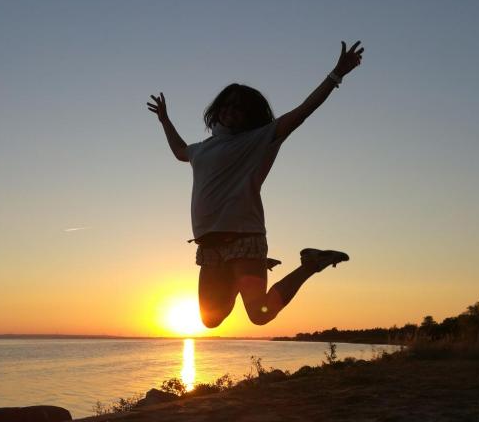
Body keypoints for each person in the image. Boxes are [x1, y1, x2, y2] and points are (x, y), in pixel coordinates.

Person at [147, 40, 364, 328]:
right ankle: (252, 270)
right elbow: (179, 151)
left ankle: (311, 264)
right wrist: (164, 120)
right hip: (209, 244)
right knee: (211, 319)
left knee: (259, 314)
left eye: (240, 108)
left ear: (250, 114)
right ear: (218, 108)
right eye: (227, 105)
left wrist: (336, 75)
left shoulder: (259, 139)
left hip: (244, 238)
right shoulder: (202, 149)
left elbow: (302, 111)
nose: (231, 111)